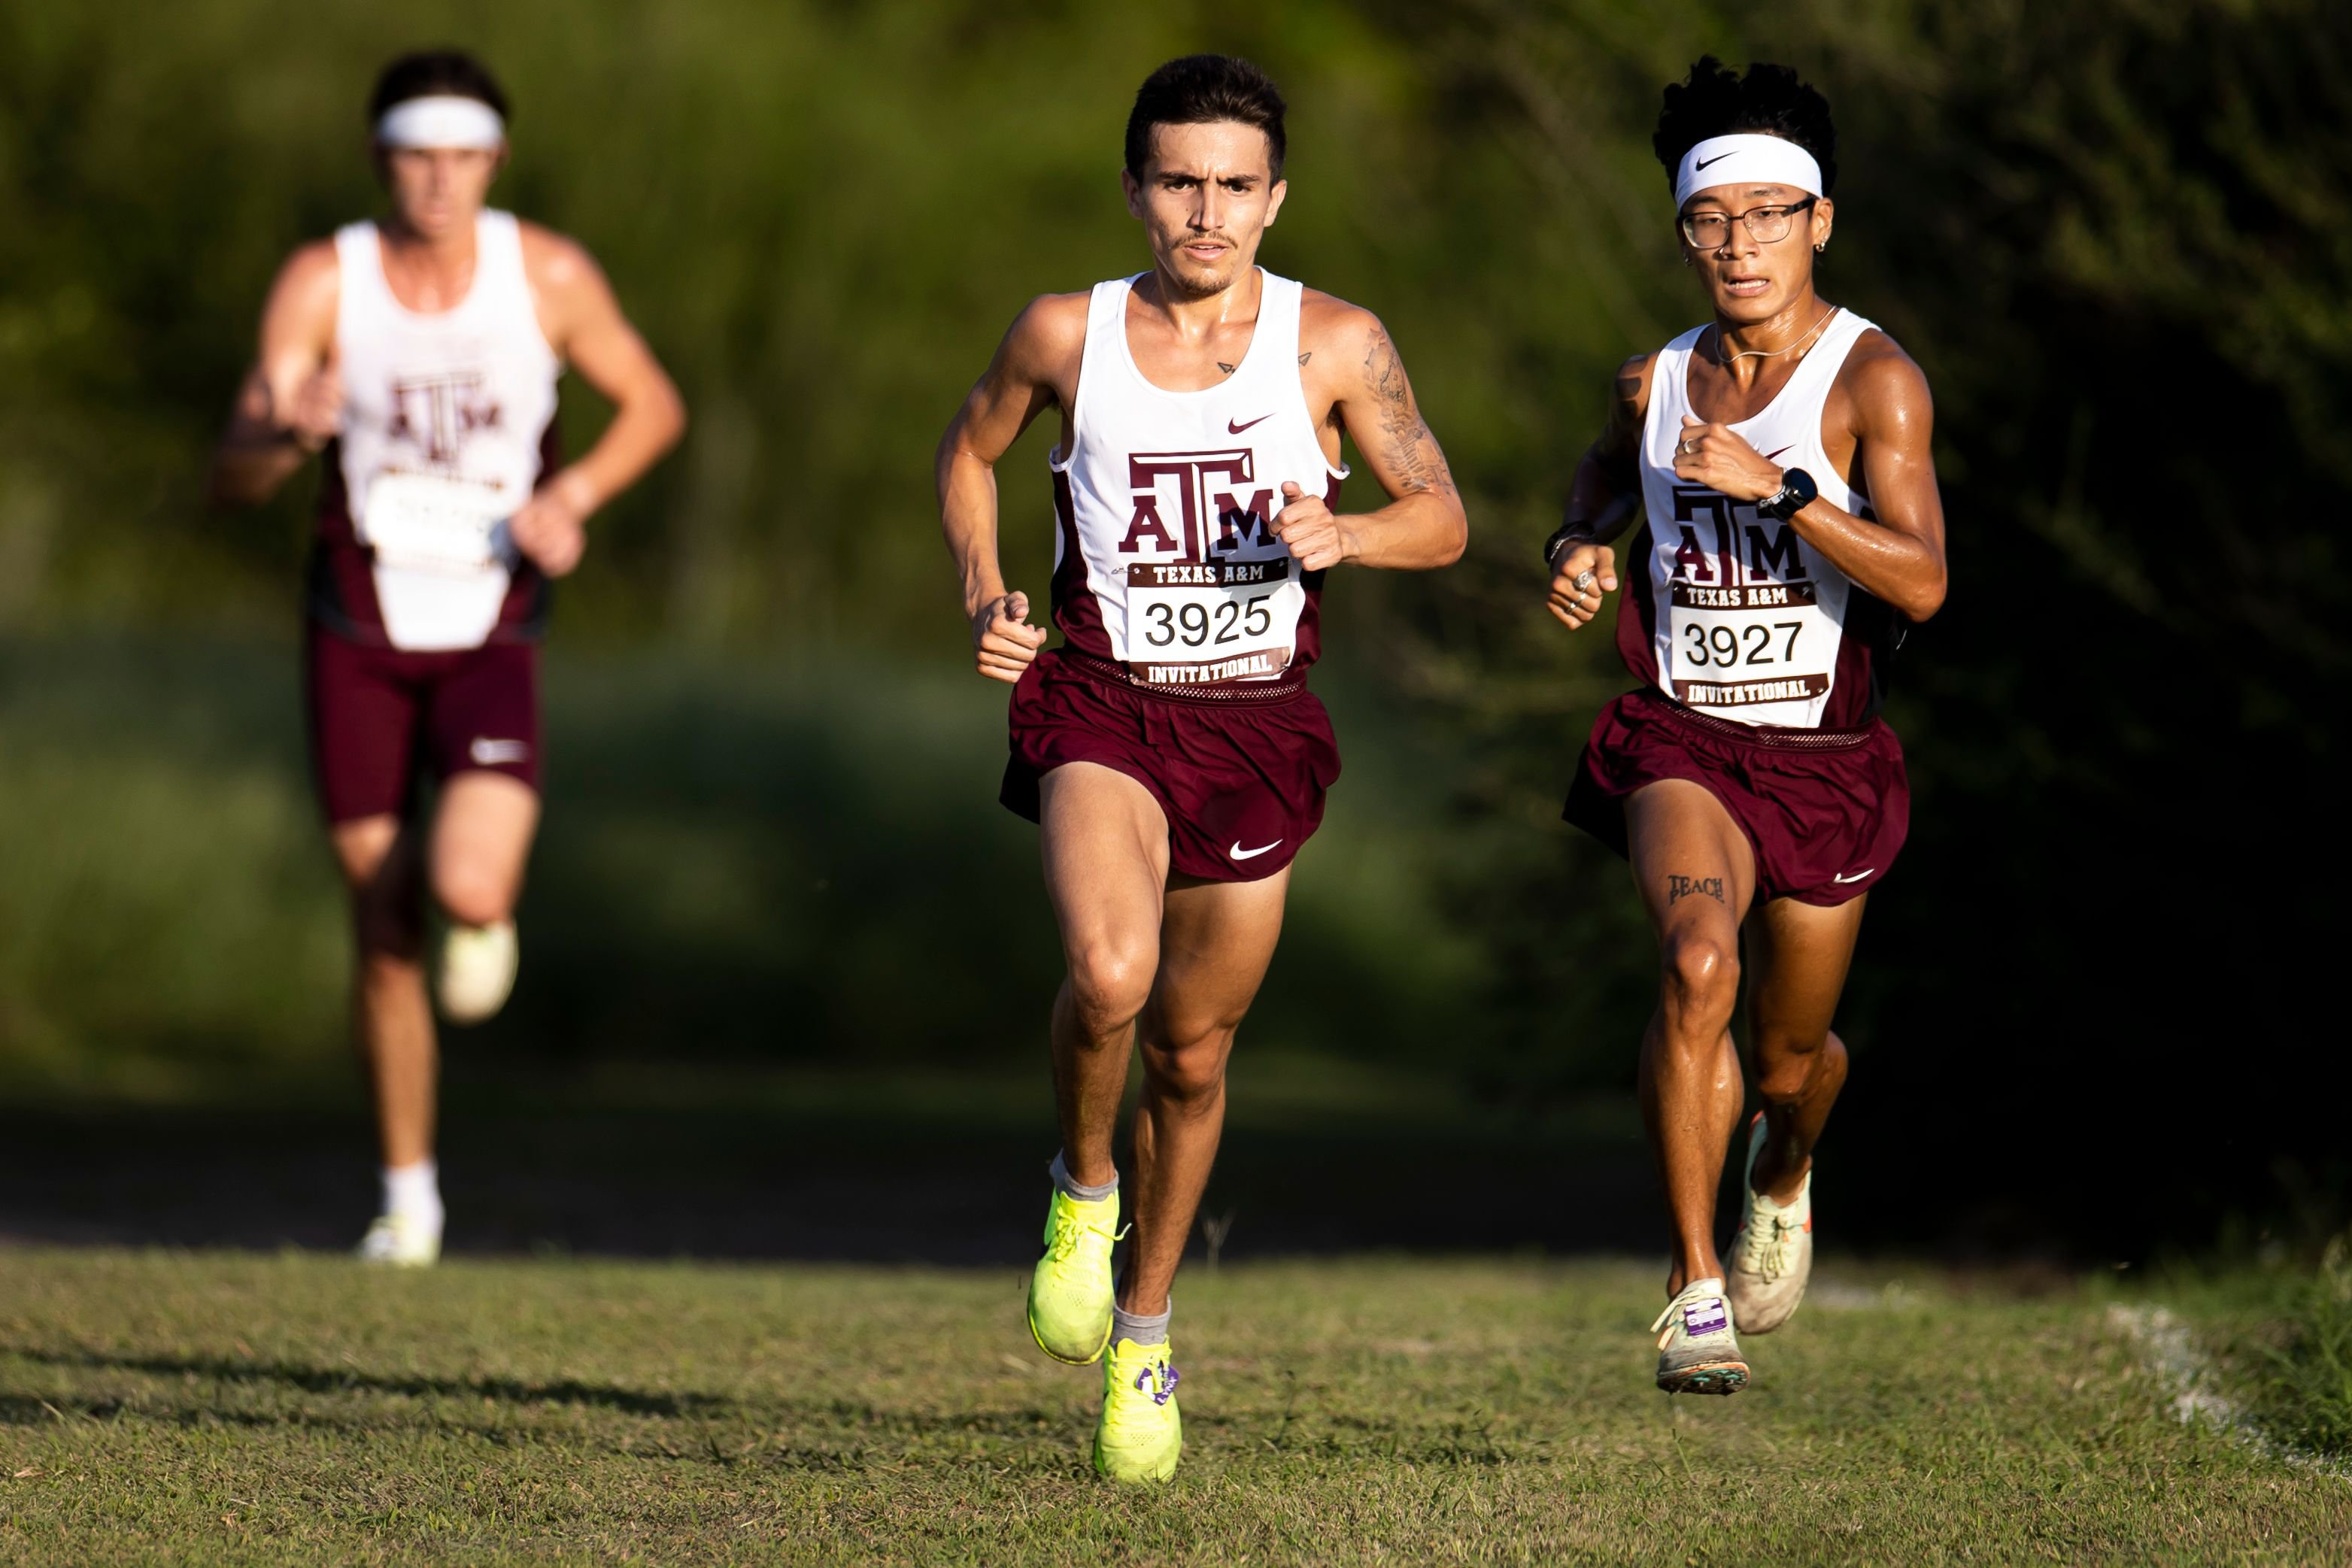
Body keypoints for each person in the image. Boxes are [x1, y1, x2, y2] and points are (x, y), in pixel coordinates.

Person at [936, 54, 1467, 1481]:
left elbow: (1443, 515)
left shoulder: (1337, 344)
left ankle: (1147, 1332)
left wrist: (1345, 536)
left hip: (1258, 719)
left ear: (1276, 197)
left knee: (1193, 1047)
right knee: (1109, 975)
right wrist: (991, 592)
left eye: (1235, 185)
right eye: (1180, 180)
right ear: (1135, 189)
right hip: (1101, 700)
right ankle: (1080, 1188)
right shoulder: (1067, 331)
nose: (1207, 211)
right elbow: (968, 452)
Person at [211, 50, 686, 1266]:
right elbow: (239, 473)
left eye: (462, 155)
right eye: (417, 154)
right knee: (383, 928)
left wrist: (570, 494)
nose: (439, 179)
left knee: (464, 889)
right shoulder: (327, 282)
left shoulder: (549, 274)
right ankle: (408, 1199)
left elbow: (655, 404)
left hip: (491, 623)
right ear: (381, 160)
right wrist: (283, 426)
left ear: (495, 162)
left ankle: (473, 898)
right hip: (358, 628)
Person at [1543, 56, 1947, 1394]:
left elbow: (1926, 581)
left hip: (1826, 757)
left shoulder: (1872, 381)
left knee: (1787, 1059)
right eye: (1715, 221)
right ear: (1683, 234)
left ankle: (1783, 1169)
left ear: (1820, 222)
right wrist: (1580, 542)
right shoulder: (1652, 379)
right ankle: (1693, 1285)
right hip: (1685, 738)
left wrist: (1783, 494)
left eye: (1770, 215)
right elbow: (1607, 473)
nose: (1741, 245)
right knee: (1697, 967)